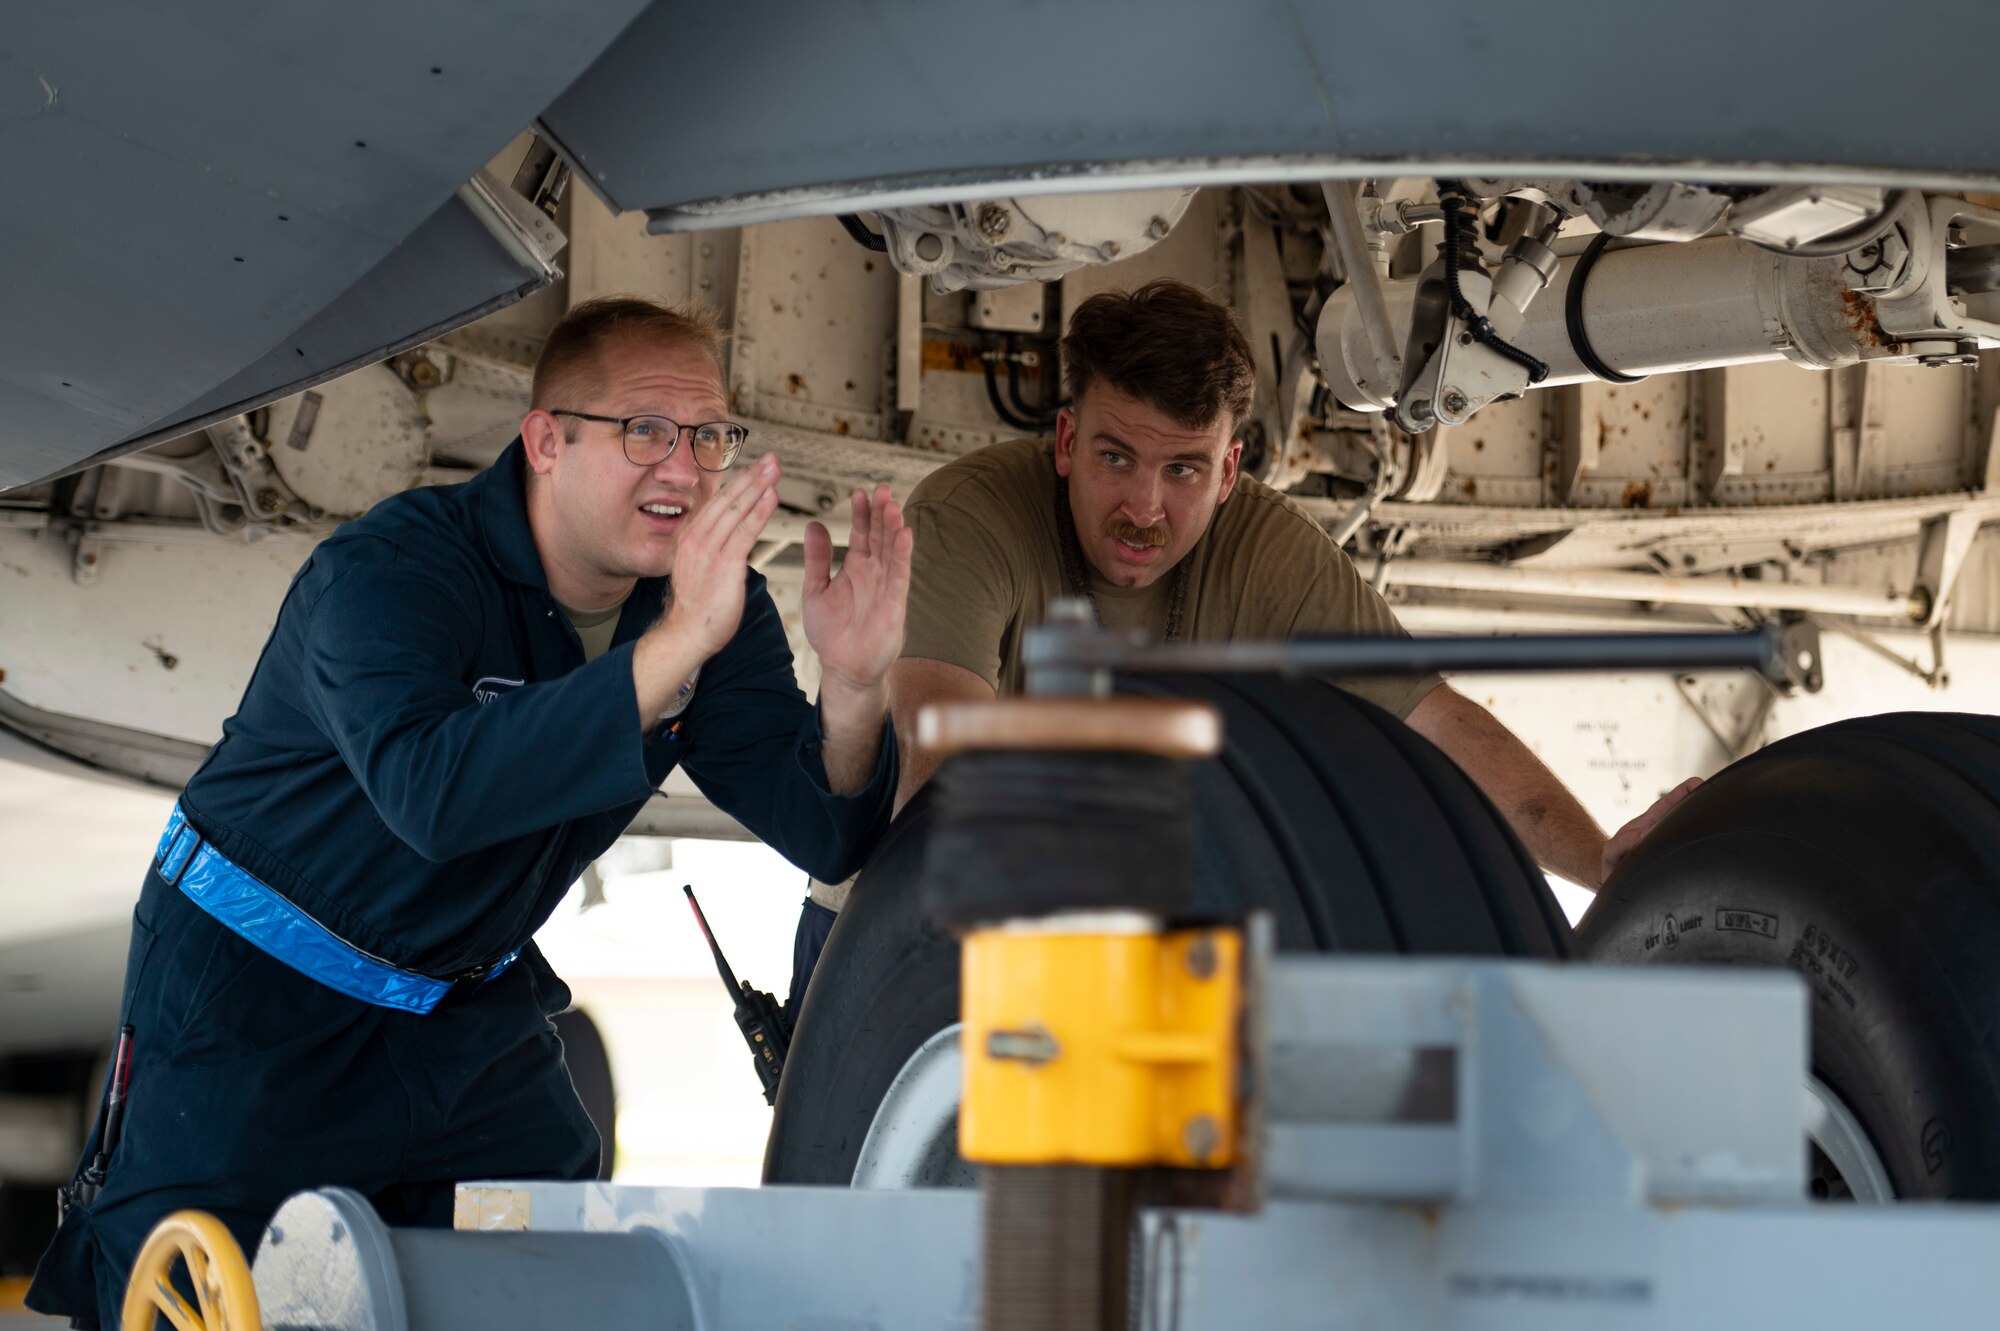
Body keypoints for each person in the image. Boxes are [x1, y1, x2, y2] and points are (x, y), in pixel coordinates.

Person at [28, 296, 912, 1329]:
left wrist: (852, 687)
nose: (684, 467)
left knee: (554, 1273)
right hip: (255, 1000)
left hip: (459, 1007)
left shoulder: (706, 604)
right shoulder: (392, 570)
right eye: (646, 432)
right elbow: (434, 797)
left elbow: (824, 830)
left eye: (708, 436)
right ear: (545, 439)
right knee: (193, 1292)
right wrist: (671, 646)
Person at [790, 279, 1693, 989]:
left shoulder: (1268, 552)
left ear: (1229, 472)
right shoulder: (971, 515)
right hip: (896, 917)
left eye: (1183, 468)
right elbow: (937, 763)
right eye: (1115, 458)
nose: (1144, 507)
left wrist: (1602, 867)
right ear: (1065, 440)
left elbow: (1437, 728)